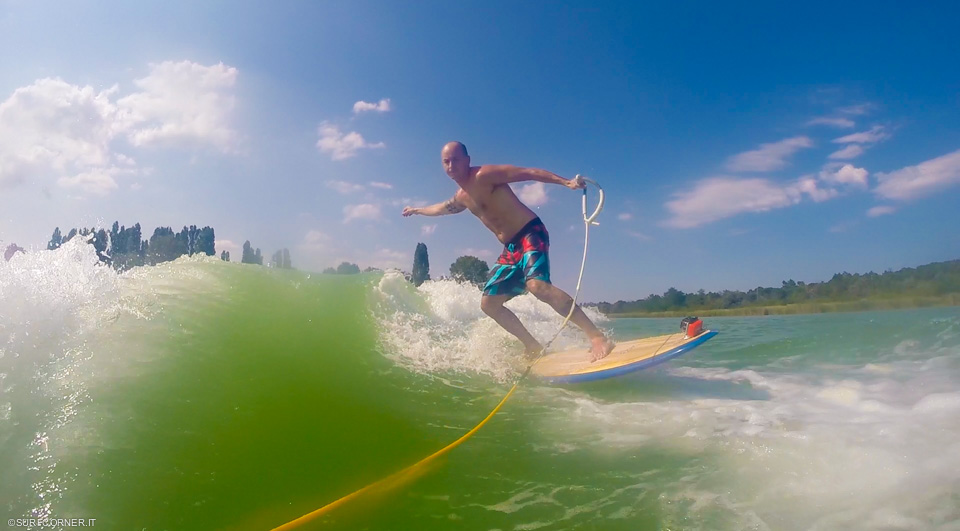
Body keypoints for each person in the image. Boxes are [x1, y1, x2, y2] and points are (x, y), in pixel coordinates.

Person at [403, 141, 615, 362]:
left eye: (455, 160)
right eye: (446, 162)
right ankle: (533, 346)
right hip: (511, 247)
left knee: (537, 286)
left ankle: (597, 337)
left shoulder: (485, 175)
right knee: (489, 304)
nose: (451, 166)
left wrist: (566, 182)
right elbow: (441, 208)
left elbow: (528, 173)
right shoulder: (461, 197)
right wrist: (418, 210)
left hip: (530, 233)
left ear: (467, 160)